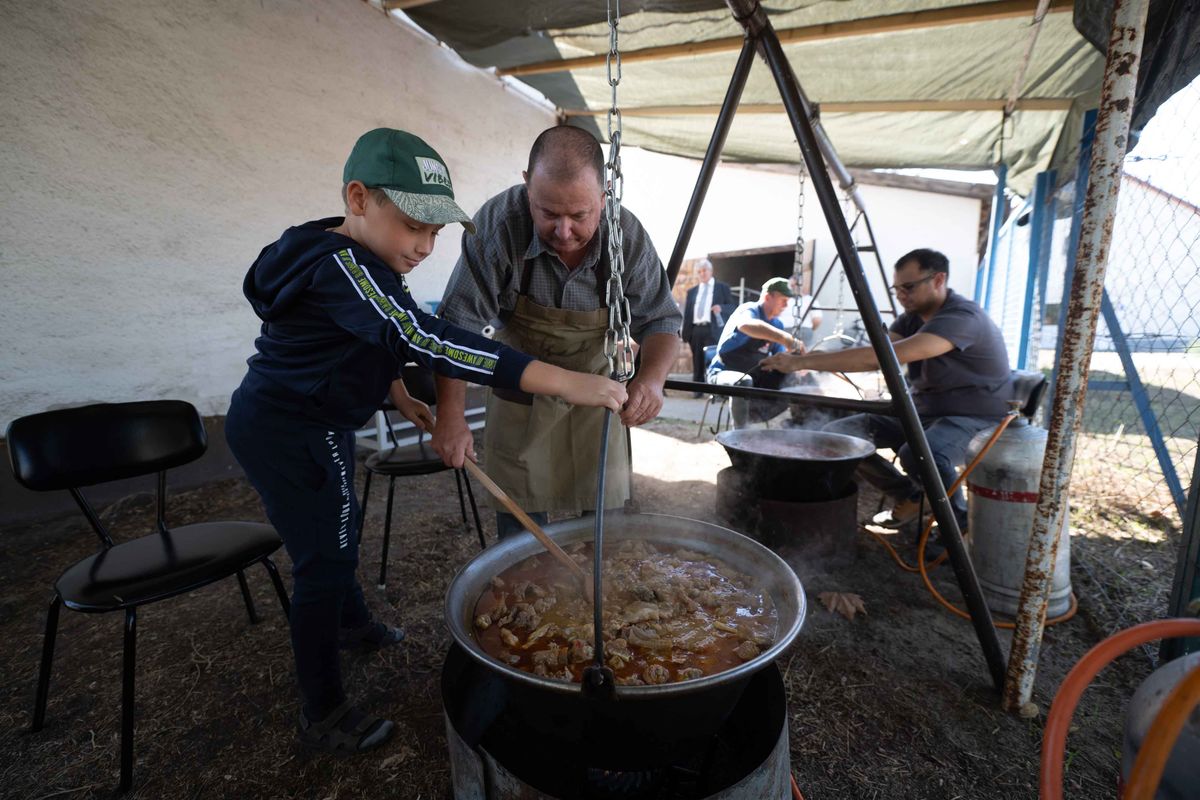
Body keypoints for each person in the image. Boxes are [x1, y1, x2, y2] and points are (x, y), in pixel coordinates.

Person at [225, 128, 627, 756]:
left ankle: (352, 624)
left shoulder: (355, 258)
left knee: (337, 524)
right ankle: (324, 712)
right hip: (289, 428)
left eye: (436, 231)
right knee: (323, 555)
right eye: (415, 224)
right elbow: (422, 338)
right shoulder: (342, 266)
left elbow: (370, 334)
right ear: (359, 198)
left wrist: (399, 395)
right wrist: (565, 382)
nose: (425, 245)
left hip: (304, 418)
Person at [431, 125, 682, 539]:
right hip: (520, 394)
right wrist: (452, 415)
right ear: (528, 185)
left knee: (604, 530)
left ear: (604, 198)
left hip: (597, 399)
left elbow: (661, 320)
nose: (563, 232)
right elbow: (456, 326)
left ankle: (599, 594)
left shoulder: (627, 235)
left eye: (580, 215)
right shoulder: (497, 226)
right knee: (520, 530)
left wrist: (652, 381)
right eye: (547, 213)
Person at [761, 248, 1012, 532]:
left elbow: (882, 358)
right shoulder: (912, 318)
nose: (901, 295)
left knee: (922, 453)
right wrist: (815, 362)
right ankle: (912, 496)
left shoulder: (962, 317)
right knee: (837, 439)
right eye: (897, 289)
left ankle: (957, 526)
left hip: (974, 417)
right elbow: (871, 352)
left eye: (909, 287)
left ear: (939, 279)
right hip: (924, 412)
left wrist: (799, 363)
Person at [707, 277, 804, 428]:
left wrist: (800, 362)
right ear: (768, 297)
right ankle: (739, 432)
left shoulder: (777, 324)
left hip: (756, 375)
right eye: (783, 299)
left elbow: (780, 357)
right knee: (742, 381)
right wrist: (786, 339)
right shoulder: (748, 310)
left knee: (795, 379)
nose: (786, 305)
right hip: (724, 371)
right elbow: (746, 325)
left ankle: (799, 426)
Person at [680, 259, 735, 392]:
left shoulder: (722, 288)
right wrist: (686, 333)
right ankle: (698, 390)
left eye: (704, 271)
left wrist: (721, 308)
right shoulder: (692, 291)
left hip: (713, 330)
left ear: (711, 271)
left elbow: (733, 307)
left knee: (713, 360)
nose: (702, 274)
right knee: (697, 361)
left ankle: (714, 389)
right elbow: (688, 313)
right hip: (696, 330)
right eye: (699, 272)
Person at [781, 274, 823, 348]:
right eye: (792, 285)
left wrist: (807, 329)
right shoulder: (784, 299)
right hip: (783, 331)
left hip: (803, 331)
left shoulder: (810, 300)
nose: (794, 287)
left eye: (796, 285)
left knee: (802, 354)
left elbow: (817, 320)